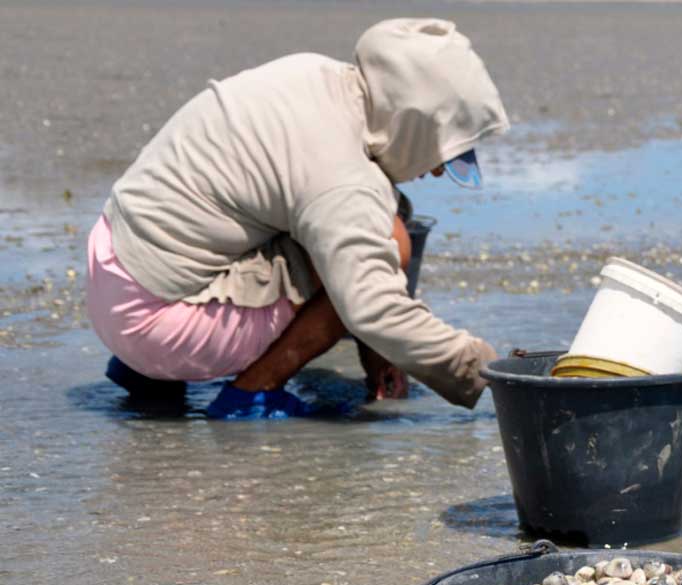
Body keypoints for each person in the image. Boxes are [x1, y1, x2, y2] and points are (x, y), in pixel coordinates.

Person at [86, 18, 510, 417]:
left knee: (359, 235)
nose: (436, 171)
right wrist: (488, 373)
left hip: (113, 265)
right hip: (154, 321)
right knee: (390, 243)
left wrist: (377, 352)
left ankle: (144, 373)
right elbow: (373, 309)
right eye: (446, 153)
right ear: (416, 123)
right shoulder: (344, 179)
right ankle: (251, 392)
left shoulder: (314, 75)